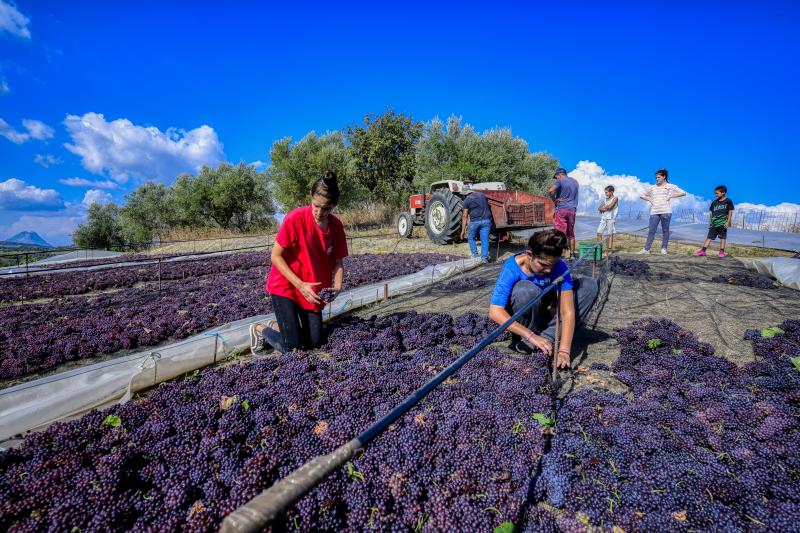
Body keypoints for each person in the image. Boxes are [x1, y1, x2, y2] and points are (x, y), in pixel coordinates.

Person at [249, 170, 348, 354]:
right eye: (316, 205)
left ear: (334, 205)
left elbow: (338, 262)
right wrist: (301, 285)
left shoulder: (336, 227)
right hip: (286, 285)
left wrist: (338, 286)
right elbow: (275, 256)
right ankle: (260, 329)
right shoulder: (295, 218)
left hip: (311, 291)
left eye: (326, 208)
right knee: (292, 347)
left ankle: (283, 328)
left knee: (315, 342)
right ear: (310, 197)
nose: (319, 212)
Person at [488, 229, 599, 369]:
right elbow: (495, 312)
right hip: (525, 319)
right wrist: (530, 335)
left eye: (552, 265)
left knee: (589, 286)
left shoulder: (559, 267)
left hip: (547, 310)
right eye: (543, 264)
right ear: (530, 255)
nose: (548, 270)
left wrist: (564, 349)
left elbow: (567, 311)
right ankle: (527, 339)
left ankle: (547, 338)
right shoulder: (512, 267)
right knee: (525, 289)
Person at [638, 168, 686, 254]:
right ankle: (646, 249)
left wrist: (671, 196)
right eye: (656, 177)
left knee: (665, 230)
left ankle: (664, 249)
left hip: (666, 211)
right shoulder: (652, 187)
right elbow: (641, 195)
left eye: (658, 177)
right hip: (654, 211)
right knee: (651, 230)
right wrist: (649, 199)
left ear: (664, 177)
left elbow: (683, 193)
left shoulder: (671, 186)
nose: (656, 179)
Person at [695, 185, 735, 257]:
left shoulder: (728, 201)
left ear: (723, 193)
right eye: (715, 193)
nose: (716, 195)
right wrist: (710, 222)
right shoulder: (714, 202)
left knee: (723, 237)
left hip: (723, 223)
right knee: (709, 237)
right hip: (714, 223)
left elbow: (730, 212)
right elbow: (711, 212)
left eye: (717, 193)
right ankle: (703, 251)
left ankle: (721, 252)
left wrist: (728, 222)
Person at [548, 168, 579, 258]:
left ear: (560, 174)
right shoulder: (575, 182)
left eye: (556, 177)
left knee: (560, 234)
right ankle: (572, 255)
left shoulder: (560, 180)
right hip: (572, 210)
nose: (556, 179)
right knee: (571, 234)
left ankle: (563, 255)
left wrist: (554, 199)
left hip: (561, 209)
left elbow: (550, 190)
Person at [460, 190, 493, 262]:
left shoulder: (467, 200)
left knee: (471, 238)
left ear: (466, 194)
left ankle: (475, 255)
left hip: (475, 222)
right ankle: (484, 258)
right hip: (486, 221)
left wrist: (463, 231)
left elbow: (465, 216)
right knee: (485, 239)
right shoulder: (482, 195)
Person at [596, 185, 618, 255]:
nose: (606, 194)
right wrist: (604, 208)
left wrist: (604, 208)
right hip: (604, 217)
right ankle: (599, 249)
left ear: (611, 192)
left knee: (609, 234)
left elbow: (610, 206)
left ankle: (609, 250)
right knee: (599, 232)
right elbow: (599, 208)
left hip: (611, 218)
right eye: (605, 192)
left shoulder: (615, 198)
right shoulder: (605, 199)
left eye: (607, 192)